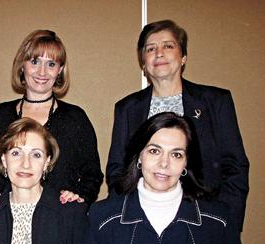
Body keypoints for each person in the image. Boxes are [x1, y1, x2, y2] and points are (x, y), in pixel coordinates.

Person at [80, 113, 249, 244]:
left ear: (186, 163)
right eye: (154, 151)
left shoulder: (218, 221)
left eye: (176, 154)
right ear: (139, 156)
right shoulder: (103, 219)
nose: (164, 163)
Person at [106, 20, 249, 230]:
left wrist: (225, 223)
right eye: (151, 48)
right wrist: (123, 222)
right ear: (143, 63)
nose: (159, 53)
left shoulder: (215, 101)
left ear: (183, 57)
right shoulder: (127, 108)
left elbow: (235, 167)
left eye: (168, 46)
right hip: (143, 220)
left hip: (204, 217)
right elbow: (117, 169)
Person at [0, 29, 103, 209]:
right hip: (7, 218)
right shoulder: (0, 115)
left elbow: (92, 174)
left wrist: (79, 199)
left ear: (59, 70)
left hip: (60, 221)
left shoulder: (75, 118)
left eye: (51, 64)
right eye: (35, 61)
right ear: (22, 65)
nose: (42, 72)